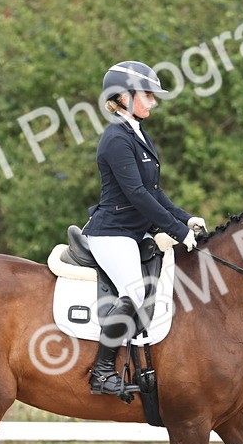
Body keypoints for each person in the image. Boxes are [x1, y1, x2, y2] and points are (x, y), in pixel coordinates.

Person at [82, 61, 206, 396]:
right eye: (147, 94)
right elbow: (136, 195)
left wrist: (185, 218)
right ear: (123, 96)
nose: (152, 102)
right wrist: (177, 232)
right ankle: (102, 373)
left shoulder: (138, 134)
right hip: (112, 233)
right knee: (134, 291)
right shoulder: (116, 139)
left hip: (133, 231)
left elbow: (154, 192)